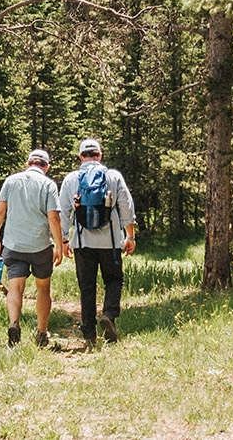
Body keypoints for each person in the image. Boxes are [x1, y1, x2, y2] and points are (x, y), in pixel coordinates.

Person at [58, 136, 137, 345]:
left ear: (80, 156)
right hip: (111, 242)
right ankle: (108, 315)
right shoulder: (113, 176)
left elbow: (63, 211)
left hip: (83, 243)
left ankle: (89, 333)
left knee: (87, 286)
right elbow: (126, 207)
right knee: (113, 280)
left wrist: (64, 239)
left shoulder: (71, 179)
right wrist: (130, 236)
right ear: (100, 155)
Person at [0, 148, 64, 347]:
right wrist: (59, 245)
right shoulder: (48, 184)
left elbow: (0, 212)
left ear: (28, 163)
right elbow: (54, 217)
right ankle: (41, 333)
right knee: (43, 288)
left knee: (15, 287)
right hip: (39, 246)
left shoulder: (11, 181)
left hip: (14, 245)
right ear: (46, 167)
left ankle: (14, 323)